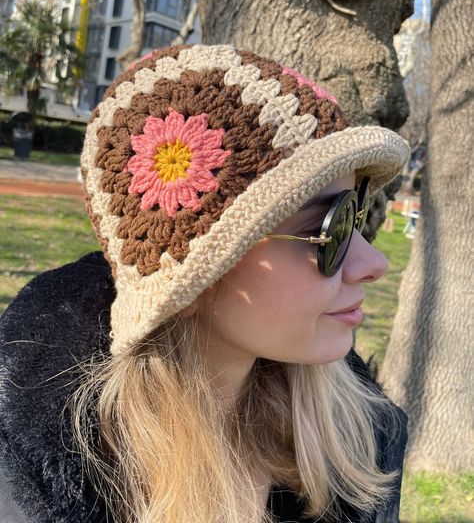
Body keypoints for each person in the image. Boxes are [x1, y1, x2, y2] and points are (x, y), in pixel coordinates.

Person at [0, 44, 411, 523]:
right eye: (329, 228)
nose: (372, 261)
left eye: (357, 213)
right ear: (193, 280)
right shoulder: (31, 487)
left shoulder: (360, 438)